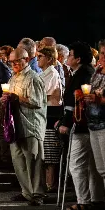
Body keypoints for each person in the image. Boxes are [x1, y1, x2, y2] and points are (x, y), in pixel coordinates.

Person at [57, 42, 105, 210]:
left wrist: (67, 122)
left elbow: (76, 103)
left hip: (82, 125)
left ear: (78, 59)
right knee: (91, 164)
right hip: (86, 124)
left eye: (70, 54)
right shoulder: (80, 72)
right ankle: (96, 198)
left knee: (77, 164)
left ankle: (84, 200)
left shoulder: (85, 74)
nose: (67, 57)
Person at [1, 48, 47, 206]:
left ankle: (37, 193)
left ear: (26, 60)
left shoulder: (33, 78)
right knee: (18, 160)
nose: (13, 64)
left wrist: (16, 97)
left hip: (30, 124)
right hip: (16, 125)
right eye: (11, 62)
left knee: (33, 160)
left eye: (17, 61)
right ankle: (26, 191)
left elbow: (37, 101)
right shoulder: (14, 77)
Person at [84, 38, 105, 210]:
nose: (103, 56)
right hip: (93, 126)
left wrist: (100, 101)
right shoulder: (97, 72)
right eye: (102, 53)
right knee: (103, 171)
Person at [36, 46, 63, 193]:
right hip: (44, 113)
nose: (37, 58)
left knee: (49, 152)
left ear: (50, 59)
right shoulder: (43, 73)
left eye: (40, 56)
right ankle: (46, 183)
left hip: (50, 114)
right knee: (45, 151)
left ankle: (50, 184)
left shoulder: (52, 74)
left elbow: (43, 95)